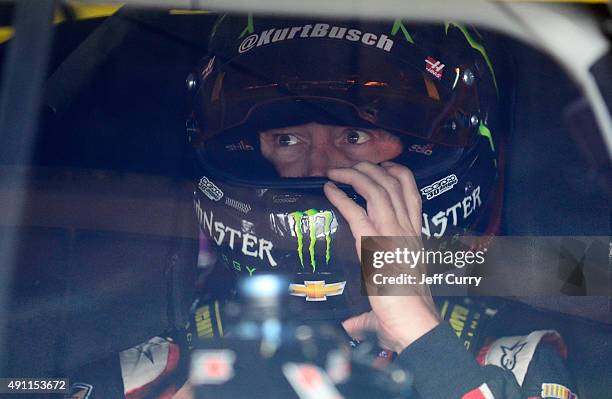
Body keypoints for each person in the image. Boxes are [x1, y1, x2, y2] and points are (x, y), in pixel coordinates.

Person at [65, 14, 577, 399]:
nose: (317, 167)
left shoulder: (515, 361)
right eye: (287, 139)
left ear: (427, 152)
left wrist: (417, 328)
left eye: (354, 135)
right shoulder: (164, 362)